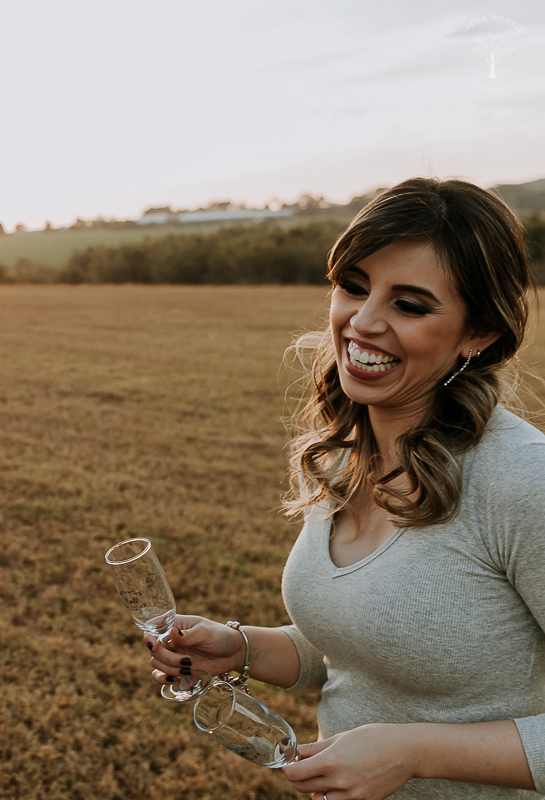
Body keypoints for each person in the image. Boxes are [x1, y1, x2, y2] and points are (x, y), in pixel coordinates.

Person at [148, 177, 545, 799]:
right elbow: (363, 648)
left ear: (480, 335)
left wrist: (413, 752)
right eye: (353, 287)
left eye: (409, 305)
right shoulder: (343, 460)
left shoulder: (526, 482)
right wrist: (243, 647)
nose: (362, 322)